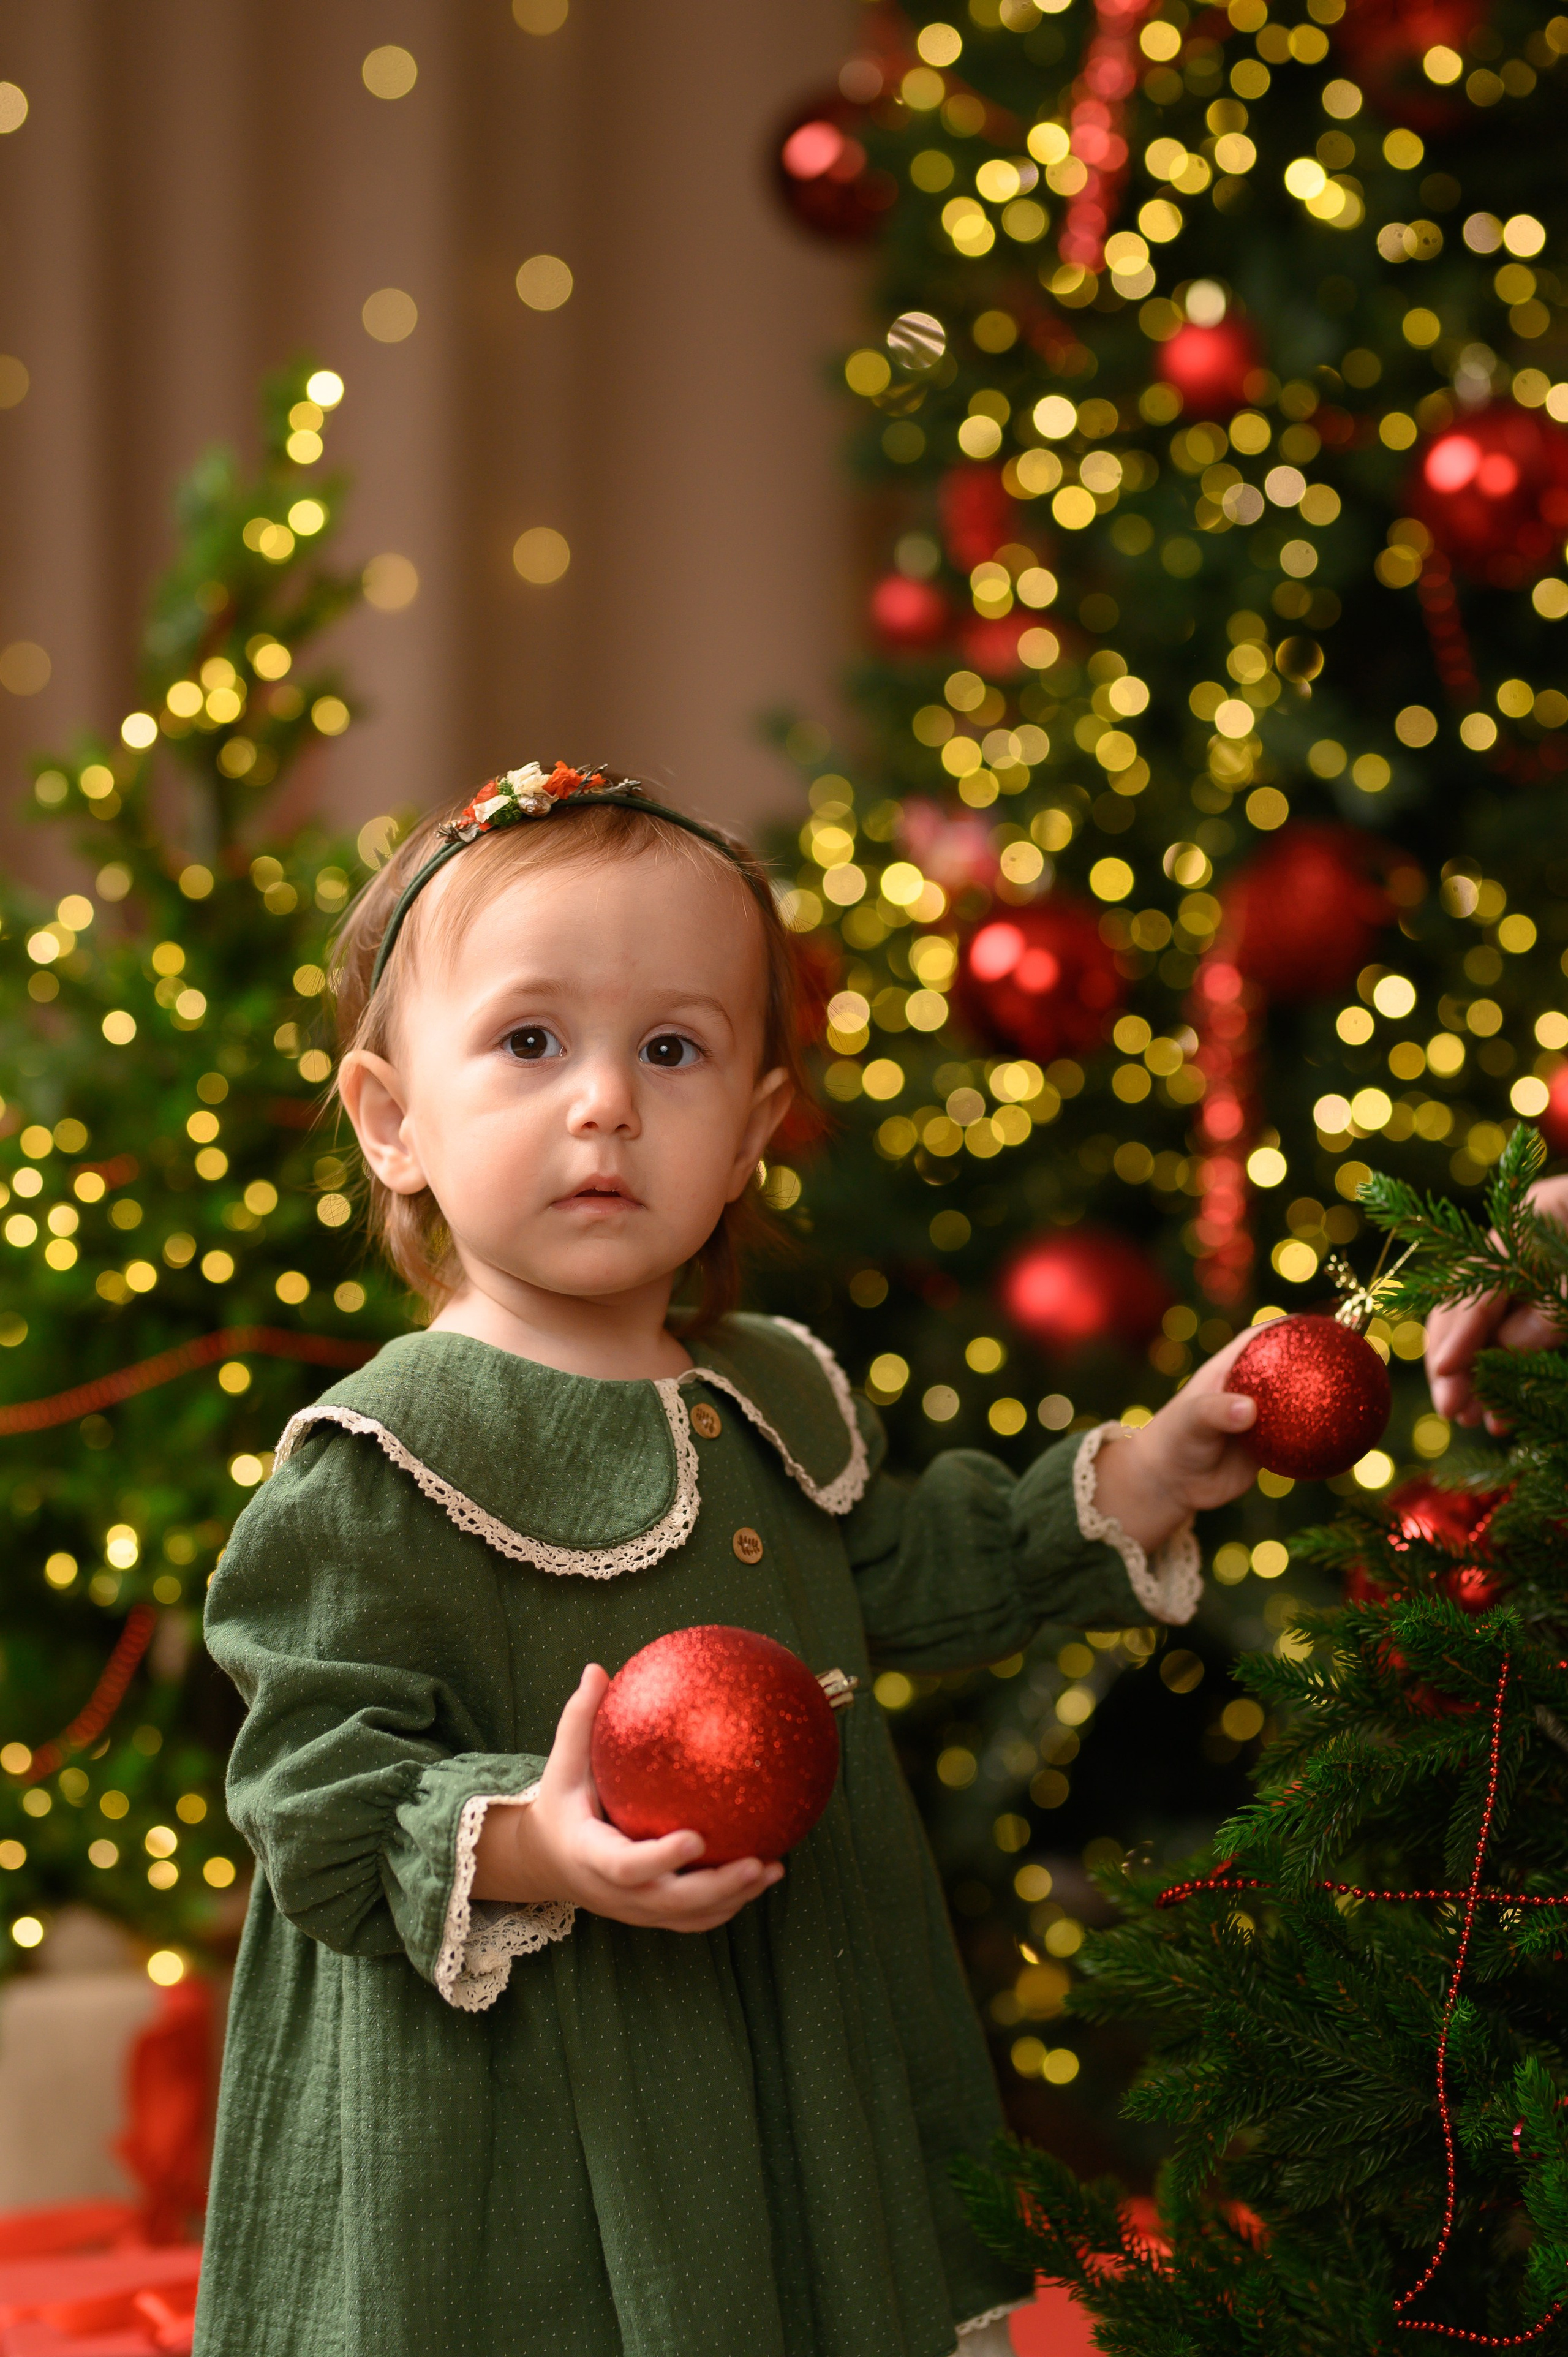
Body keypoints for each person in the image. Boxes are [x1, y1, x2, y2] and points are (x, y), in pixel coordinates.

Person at [193, 762, 1262, 2357]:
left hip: (800, 2017)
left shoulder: (765, 1391)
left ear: (754, 1127)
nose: (606, 1101)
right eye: (531, 1041)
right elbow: (317, 1802)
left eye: (673, 1049)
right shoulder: (382, 1457)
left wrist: (1152, 1475)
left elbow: (909, 1569)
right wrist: (534, 1846)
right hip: (531, 2098)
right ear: (393, 1119)